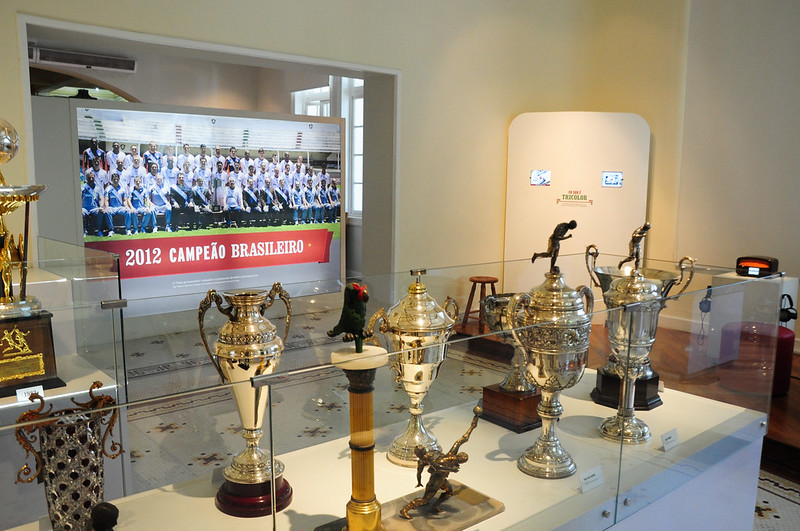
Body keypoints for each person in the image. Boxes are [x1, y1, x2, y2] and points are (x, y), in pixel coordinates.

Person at [399, 408, 481, 519]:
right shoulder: (444, 460)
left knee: (449, 492)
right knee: (424, 500)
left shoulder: (452, 455)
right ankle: (405, 509)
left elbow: (463, 439)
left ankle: (435, 506)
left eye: (463, 458)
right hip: (435, 481)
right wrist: (452, 470)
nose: (461, 459)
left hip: (442, 480)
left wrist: (474, 422)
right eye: (462, 458)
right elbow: (438, 467)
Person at [81, 170, 103, 237]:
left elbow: (101, 198)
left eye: (92, 178)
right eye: (89, 178)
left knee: (100, 212)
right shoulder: (82, 188)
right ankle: (83, 231)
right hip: (85, 208)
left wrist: (101, 207)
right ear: (86, 179)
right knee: (81, 212)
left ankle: (99, 230)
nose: (91, 179)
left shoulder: (98, 188)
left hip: (94, 208)